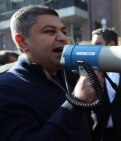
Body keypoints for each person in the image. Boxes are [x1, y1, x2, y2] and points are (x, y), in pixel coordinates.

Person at [0, 5, 104, 141]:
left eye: (64, 31)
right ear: (22, 41)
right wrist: (76, 102)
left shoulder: (68, 77)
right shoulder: (6, 89)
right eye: (50, 31)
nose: (63, 38)